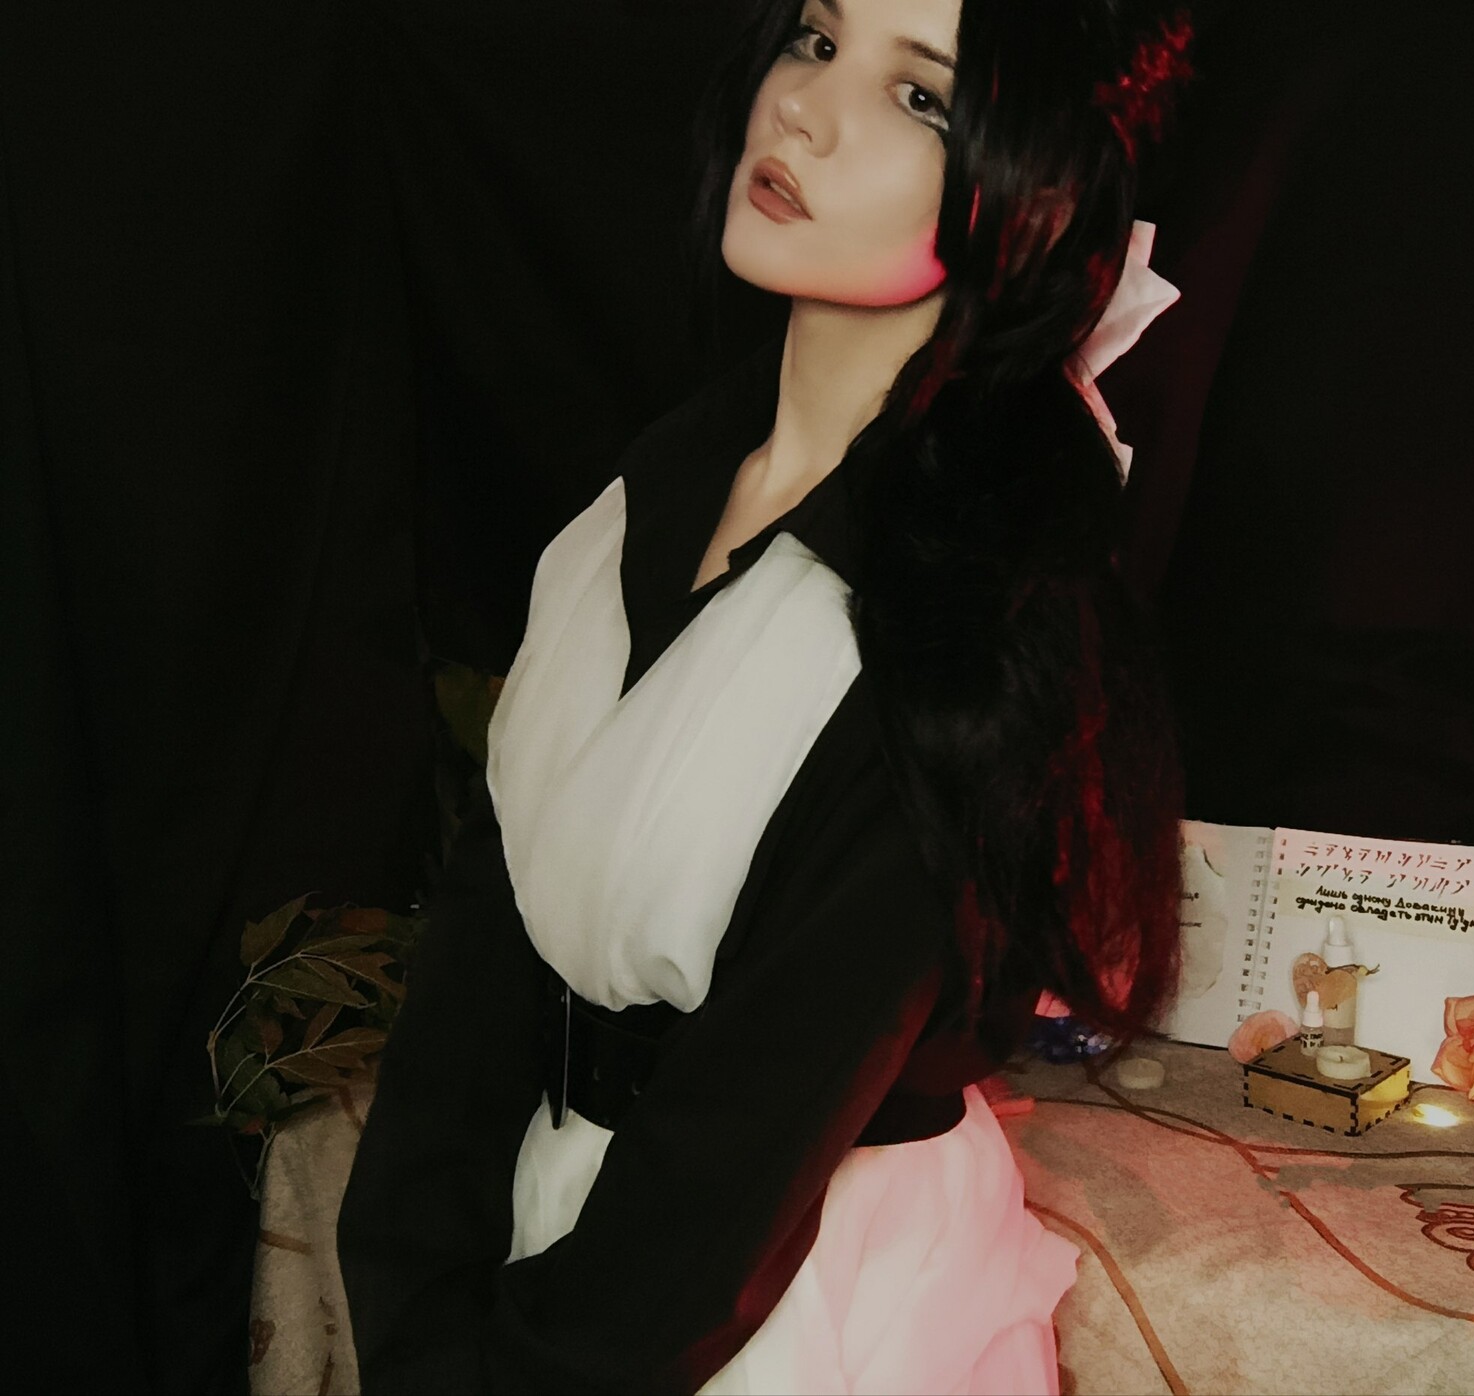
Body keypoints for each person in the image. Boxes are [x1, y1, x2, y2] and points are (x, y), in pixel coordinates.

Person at [336, 0, 1195, 1390]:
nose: (804, 108)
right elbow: (476, 984)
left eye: (920, 97)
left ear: (1030, 199)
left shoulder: (956, 631)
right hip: (542, 1263)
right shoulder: (630, 514)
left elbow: (727, 1182)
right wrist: (414, 1310)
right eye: (814, 38)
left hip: (791, 1315)